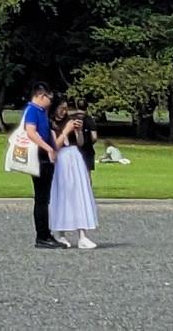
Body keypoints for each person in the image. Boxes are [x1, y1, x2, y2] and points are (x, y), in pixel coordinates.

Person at [48, 105, 99, 251]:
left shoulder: (70, 121)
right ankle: (59, 232)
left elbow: (81, 142)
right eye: (61, 108)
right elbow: (54, 146)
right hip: (61, 160)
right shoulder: (50, 123)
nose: (64, 111)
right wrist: (65, 131)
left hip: (75, 157)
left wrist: (77, 131)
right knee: (63, 195)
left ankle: (82, 235)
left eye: (66, 108)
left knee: (79, 194)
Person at [13, 86, 58, 249]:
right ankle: (42, 235)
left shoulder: (40, 111)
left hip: (45, 158)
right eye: (49, 98)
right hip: (40, 158)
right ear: (40, 95)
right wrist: (48, 148)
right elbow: (31, 132)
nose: (50, 102)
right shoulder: (33, 110)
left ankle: (45, 233)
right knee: (41, 199)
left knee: (44, 199)